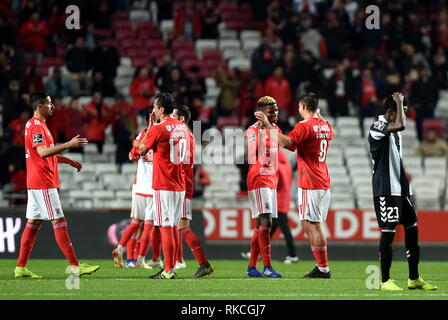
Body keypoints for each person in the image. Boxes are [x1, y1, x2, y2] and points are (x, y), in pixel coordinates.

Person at [14, 92, 99, 278]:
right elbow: (43, 153)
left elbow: (44, 154)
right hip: (43, 182)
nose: (52, 107)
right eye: (49, 103)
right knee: (59, 221)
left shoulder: (35, 125)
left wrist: (68, 161)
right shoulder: (37, 127)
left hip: (36, 182)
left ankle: (20, 267)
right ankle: (75, 266)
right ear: (39, 107)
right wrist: (69, 144)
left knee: (33, 223)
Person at [255, 93, 333, 279]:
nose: (298, 110)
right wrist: (319, 115)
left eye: (299, 107)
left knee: (310, 225)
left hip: (310, 182)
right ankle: (322, 267)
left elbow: (286, 142)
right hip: (323, 182)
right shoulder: (326, 126)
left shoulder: (304, 126)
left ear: (304, 107)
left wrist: (267, 125)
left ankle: (323, 268)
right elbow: (330, 132)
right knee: (314, 225)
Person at [368, 92, 438, 291]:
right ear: (390, 112)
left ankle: (414, 278)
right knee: (389, 230)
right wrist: (399, 101)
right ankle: (385, 281)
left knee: (412, 228)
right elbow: (400, 124)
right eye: (400, 112)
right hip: (385, 188)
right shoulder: (378, 126)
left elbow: (400, 126)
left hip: (401, 188)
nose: (403, 116)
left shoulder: (394, 129)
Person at [139, 93, 190, 279]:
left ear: (161, 109)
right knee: (173, 226)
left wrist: (151, 127)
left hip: (164, 184)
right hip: (180, 184)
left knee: (165, 227)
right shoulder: (182, 127)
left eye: (154, 107)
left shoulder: (158, 128)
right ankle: (172, 266)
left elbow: (141, 150)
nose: (153, 110)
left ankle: (168, 269)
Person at [245, 96, 287, 278]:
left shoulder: (275, 128)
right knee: (266, 222)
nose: (276, 113)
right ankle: (267, 267)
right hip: (259, 178)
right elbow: (252, 153)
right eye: (271, 111)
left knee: (261, 225)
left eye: (276, 110)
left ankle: (251, 267)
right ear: (261, 113)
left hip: (272, 180)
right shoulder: (252, 130)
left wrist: (269, 129)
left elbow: (284, 144)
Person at [172, 104, 214, 278]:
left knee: (180, 228)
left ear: (181, 118)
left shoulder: (182, 136)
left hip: (181, 187)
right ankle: (175, 264)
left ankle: (201, 264)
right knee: (177, 228)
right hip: (184, 187)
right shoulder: (188, 136)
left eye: (173, 115)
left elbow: (178, 164)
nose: (169, 118)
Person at [112, 112, 158, 269]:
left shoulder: (142, 134)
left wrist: (138, 144)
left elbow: (132, 155)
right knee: (149, 225)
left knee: (135, 222)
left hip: (139, 186)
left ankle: (119, 248)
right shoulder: (160, 134)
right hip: (154, 187)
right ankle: (140, 260)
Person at [270, 148, 299, 264]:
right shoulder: (287, 166)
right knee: (270, 230)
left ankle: (293, 255)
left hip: (278, 201)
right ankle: (257, 252)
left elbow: (276, 184)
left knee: (283, 230)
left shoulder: (278, 167)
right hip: (284, 199)